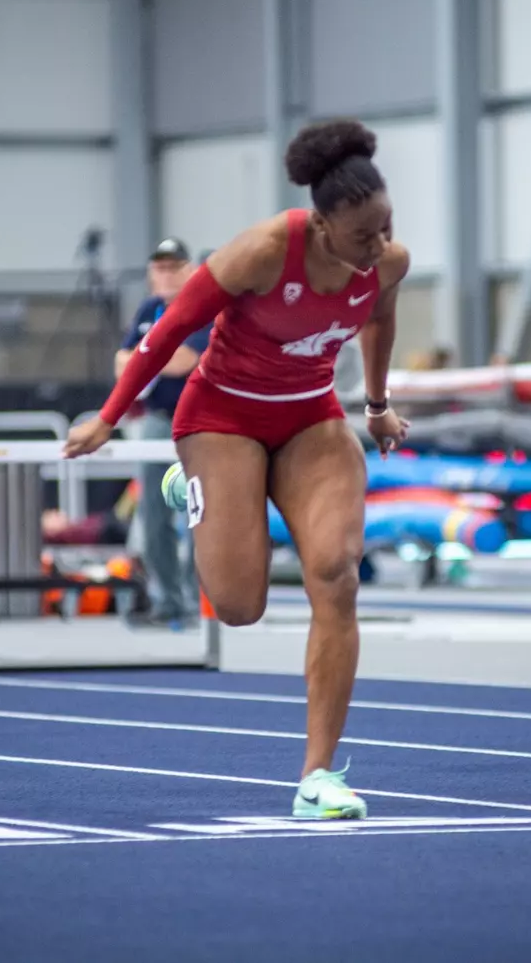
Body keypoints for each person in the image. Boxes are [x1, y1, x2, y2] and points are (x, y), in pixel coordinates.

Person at [64, 120, 410, 819]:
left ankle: (317, 778)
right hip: (221, 418)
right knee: (239, 606)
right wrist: (109, 415)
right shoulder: (258, 253)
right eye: (360, 236)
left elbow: (378, 322)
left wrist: (375, 406)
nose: (376, 248)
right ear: (319, 226)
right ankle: (194, 485)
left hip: (310, 417)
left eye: (385, 229)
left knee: (336, 576)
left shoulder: (386, 263)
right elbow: (164, 332)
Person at [116, 236, 210, 627]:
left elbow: (184, 361)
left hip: (201, 417)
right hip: (157, 419)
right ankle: (170, 600)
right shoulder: (149, 309)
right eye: (160, 267)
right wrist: (147, 359)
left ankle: (198, 600)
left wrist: (142, 359)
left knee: (199, 511)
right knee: (153, 512)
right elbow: (121, 361)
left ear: (189, 271)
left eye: (175, 267)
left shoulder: (202, 309)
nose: (167, 274)